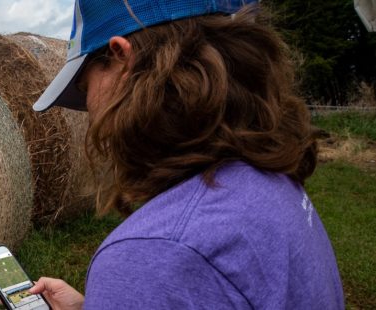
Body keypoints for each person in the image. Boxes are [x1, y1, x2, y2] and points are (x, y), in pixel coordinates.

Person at [28, 0, 345, 309]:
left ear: (123, 59)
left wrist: (131, 293)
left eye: (85, 87)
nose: (91, 113)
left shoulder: (157, 256)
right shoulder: (269, 178)